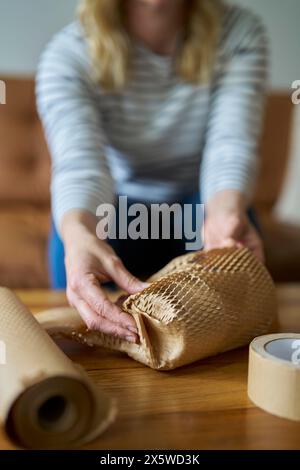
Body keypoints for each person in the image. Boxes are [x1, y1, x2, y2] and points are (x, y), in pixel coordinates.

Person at [36, 0, 268, 344]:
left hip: (202, 207)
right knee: (71, 246)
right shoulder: (67, 55)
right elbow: (81, 164)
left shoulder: (239, 32)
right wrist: (78, 232)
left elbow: (230, 143)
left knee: (240, 326)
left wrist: (225, 214)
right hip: (117, 211)